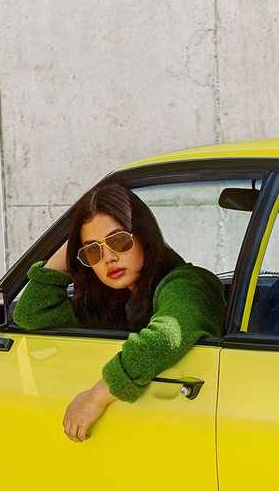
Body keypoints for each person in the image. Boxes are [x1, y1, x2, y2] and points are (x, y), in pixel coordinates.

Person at [12, 182, 225, 441]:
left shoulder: (188, 283)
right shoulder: (112, 301)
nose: (108, 258)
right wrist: (72, 248)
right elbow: (31, 314)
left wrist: (96, 397)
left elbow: (168, 336)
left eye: (119, 240)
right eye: (93, 251)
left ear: (144, 236)